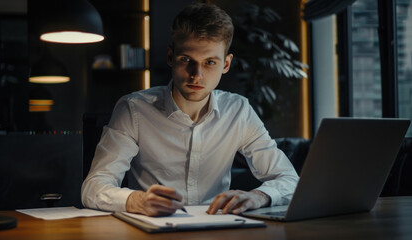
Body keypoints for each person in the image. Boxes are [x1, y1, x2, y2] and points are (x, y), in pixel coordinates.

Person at [82, 2, 299, 217]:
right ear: (170, 57)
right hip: (153, 226)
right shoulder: (134, 109)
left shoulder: (239, 110)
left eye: (210, 62)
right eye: (186, 60)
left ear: (226, 64)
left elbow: (289, 179)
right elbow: (93, 188)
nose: (197, 75)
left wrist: (259, 196)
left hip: (218, 228)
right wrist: (137, 200)